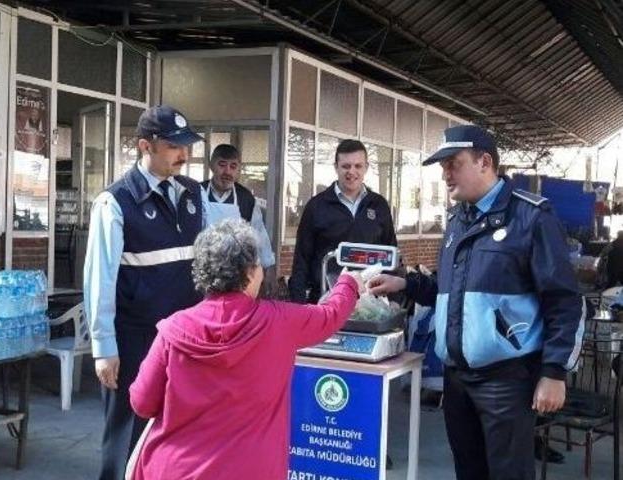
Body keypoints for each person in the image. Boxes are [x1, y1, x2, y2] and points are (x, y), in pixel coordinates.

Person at [367, 124, 584, 480]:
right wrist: (405, 283)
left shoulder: (530, 218)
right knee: (469, 472)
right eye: (443, 166)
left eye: (454, 163)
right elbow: (450, 289)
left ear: (485, 162)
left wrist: (554, 372)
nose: (445, 174)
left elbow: (564, 301)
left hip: (507, 382)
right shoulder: (457, 221)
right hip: (458, 379)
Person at [128, 219, 363, 479]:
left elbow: (142, 403)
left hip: (173, 469)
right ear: (250, 272)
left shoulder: (173, 330)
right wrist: (348, 283)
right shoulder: (279, 321)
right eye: (259, 265)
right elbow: (330, 314)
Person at [83, 105, 209, 480]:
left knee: (178, 428)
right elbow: (99, 280)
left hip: (184, 337)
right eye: (173, 146)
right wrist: (104, 348)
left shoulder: (192, 193)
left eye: (186, 145)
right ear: (144, 146)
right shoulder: (115, 201)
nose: (183, 155)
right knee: (129, 430)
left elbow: (202, 261)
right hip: (135, 336)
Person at [289, 139, 397, 303]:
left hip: (371, 303)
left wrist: (395, 300)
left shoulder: (379, 205)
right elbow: (301, 261)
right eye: (346, 166)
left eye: (358, 166)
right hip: (326, 302)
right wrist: (299, 306)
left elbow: (391, 254)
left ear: (366, 167)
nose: (351, 172)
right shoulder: (317, 206)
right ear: (336, 167)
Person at [201, 144, 277, 292]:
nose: (227, 171)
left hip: (235, 273)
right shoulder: (197, 193)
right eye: (222, 165)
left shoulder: (246, 199)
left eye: (233, 166)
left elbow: (259, 234)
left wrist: (269, 269)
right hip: (202, 271)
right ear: (211, 165)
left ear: (239, 170)